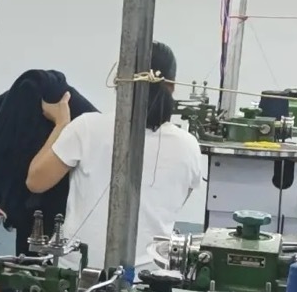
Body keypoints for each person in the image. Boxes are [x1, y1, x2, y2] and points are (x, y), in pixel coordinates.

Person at [26, 41, 203, 269]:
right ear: (172, 86)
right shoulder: (189, 146)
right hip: (150, 279)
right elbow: (175, 201)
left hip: (78, 272)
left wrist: (61, 124)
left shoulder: (86, 128)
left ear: (119, 82)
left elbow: (36, 181)